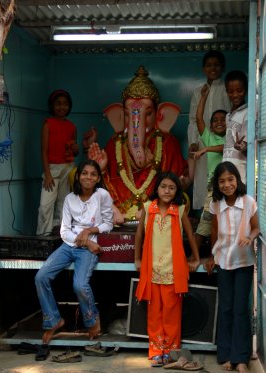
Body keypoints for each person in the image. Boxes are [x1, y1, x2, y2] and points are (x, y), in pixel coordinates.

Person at [85, 66, 189, 222]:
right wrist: (101, 169)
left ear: (161, 115)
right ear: (120, 116)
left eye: (147, 114)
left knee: (184, 201)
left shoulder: (167, 142)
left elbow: (176, 181)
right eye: (128, 115)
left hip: (154, 208)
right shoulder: (115, 143)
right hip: (120, 210)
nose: (137, 122)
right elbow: (104, 186)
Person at [35, 159, 113, 346]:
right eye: (85, 173)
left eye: (93, 174)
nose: (88, 177)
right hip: (70, 245)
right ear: (78, 176)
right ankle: (54, 321)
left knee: (79, 285)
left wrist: (89, 232)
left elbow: (108, 224)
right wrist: (85, 242)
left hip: (89, 247)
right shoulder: (70, 198)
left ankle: (92, 320)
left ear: (98, 178)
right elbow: (64, 231)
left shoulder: (102, 195)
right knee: (41, 276)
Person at [134, 171, 200, 367]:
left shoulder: (179, 209)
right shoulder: (148, 207)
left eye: (172, 188)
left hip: (173, 270)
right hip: (152, 269)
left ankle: (171, 351)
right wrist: (137, 258)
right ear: (157, 188)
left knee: (171, 313)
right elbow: (139, 235)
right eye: (163, 186)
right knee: (155, 313)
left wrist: (195, 258)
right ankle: (156, 350)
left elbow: (190, 233)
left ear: (177, 191)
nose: (167, 191)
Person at [206, 161, 259, 373]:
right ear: (217, 185)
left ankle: (241, 359)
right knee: (226, 307)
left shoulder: (248, 202)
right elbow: (214, 232)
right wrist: (211, 256)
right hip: (223, 262)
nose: (227, 184)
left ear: (237, 180)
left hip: (244, 262)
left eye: (230, 179)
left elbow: (256, 227)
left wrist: (251, 237)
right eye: (222, 181)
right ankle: (226, 355)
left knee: (240, 309)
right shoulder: (216, 204)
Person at [187, 50, 231, 210]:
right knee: (201, 176)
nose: (213, 68)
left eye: (217, 65)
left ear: (222, 67)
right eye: (209, 65)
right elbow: (193, 119)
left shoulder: (226, 89)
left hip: (222, 141)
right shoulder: (198, 91)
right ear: (203, 68)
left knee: (221, 174)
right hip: (202, 139)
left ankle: (221, 209)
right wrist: (193, 141)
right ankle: (201, 211)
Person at [36, 89, 79, 236]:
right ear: (52, 106)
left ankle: (59, 235)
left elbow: (74, 151)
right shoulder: (48, 124)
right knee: (45, 205)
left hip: (68, 168)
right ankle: (43, 235)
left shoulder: (72, 126)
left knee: (63, 204)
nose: (62, 107)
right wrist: (47, 174)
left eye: (65, 104)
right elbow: (43, 151)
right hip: (52, 169)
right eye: (58, 104)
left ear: (69, 106)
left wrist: (76, 148)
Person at [193, 84, 227, 251]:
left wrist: (206, 149)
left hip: (228, 186)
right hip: (213, 188)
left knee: (224, 223)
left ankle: (217, 256)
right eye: (215, 120)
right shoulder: (210, 137)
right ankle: (195, 256)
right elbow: (199, 118)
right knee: (206, 221)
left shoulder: (232, 137)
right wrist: (204, 97)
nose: (219, 122)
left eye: (223, 120)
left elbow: (226, 147)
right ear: (211, 126)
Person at [223, 70, 248, 183]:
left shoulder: (248, 112)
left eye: (239, 91)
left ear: (246, 90)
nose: (235, 95)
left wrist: (242, 145)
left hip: (240, 170)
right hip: (226, 168)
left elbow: (246, 143)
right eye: (231, 91)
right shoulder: (228, 115)